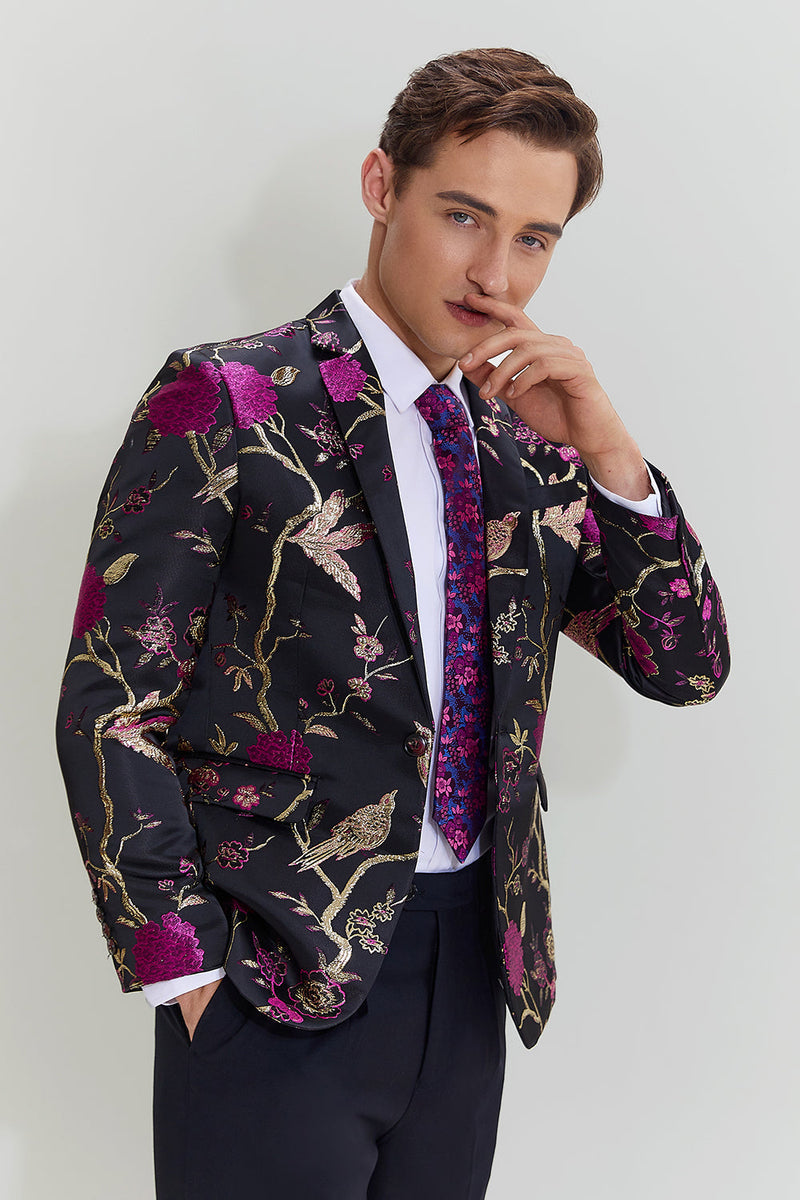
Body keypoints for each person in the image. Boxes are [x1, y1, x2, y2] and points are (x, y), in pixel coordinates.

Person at [56, 47, 730, 1199]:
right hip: (270, 973)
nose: (495, 273)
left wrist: (609, 452)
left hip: (468, 970)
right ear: (381, 186)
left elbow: (684, 666)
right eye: (463, 216)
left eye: (533, 238)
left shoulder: (528, 442)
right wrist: (189, 975)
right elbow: (113, 705)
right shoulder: (228, 397)